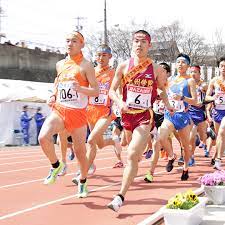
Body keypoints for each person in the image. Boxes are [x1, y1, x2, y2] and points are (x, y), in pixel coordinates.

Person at [107, 30, 172, 212]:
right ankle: (136, 159)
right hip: (127, 116)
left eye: (143, 41)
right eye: (136, 41)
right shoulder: (123, 66)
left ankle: (120, 196)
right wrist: (120, 102)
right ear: (132, 43)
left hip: (144, 115)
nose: (139, 44)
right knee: (130, 151)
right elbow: (112, 91)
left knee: (131, 154)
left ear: (149, 45)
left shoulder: (156, 69)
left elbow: (161, 90)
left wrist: (167, 104)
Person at [38, 31, 99, 198]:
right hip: (60, 109)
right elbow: (58, 82)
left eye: (74, 41)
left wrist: (80, 89)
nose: (70, 44)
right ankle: (55, 165)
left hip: (78, 113)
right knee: (43, 137)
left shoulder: (86, 66)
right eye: (68, 41)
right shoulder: (60, 64)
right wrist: (53, 95)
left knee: (80, 152)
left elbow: (95, 91)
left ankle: (83, 181)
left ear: (82, 45)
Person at [159, 53, 197, 181]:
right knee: (161, 135)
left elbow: (195, 101)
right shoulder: (170, 80)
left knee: (185, 146)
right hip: (170, 114)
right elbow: (163, 92)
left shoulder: (190, 80)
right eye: (178, 62)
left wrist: (182, 98)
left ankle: (186, 168)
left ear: (188, 65)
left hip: (183, 117)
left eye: (183, 62)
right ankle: (171, 156)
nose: (180, 64)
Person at [205, 56, 225, 170]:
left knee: (222, 131)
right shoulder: (214, 80)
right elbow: (207, 96)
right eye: (222, 66)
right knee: (219, 136)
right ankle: (215, 156)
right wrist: (213, 97)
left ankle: (218, 160)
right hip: (217, 111)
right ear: (218, 67)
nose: (224, 68)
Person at [188, 65, 208, 165]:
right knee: (191, 136)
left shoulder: (204, 85)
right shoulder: (187, 84)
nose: (193, 74)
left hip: (200, 112)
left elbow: (210, 97)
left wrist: (203, 102)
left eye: (195, 72)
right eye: (191, 72)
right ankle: (191, 157)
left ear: (199, 74)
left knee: (202, 135)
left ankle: (204, 138)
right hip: (189, 112)